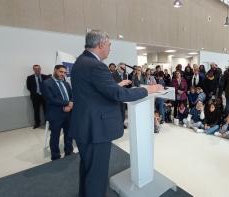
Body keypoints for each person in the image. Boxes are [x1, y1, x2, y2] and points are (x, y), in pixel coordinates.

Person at [69, 30, 162, 197]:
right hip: (95, 129)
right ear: (101, 44)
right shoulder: (96, 66)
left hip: (85, 125)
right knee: (97, 175)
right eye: (109, 45)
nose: (110, 48)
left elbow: (93, 92)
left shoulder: (81, 62)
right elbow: (119, 96)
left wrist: (115, 86)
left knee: (88, 170)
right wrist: (148, 89)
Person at [42, 65, 74, 160]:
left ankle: (69, 152)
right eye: (61, 72)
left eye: (64, 73)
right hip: (55, 114)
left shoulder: (66, 84)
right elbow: (50, 99)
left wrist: (70, 105)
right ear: (55, 70)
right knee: (55, 136)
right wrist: (68, 103)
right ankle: (55, 156)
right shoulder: (46, 83)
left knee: (69, 134)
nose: (63, 74)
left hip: (68, 114)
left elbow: (72, 96)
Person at [26, 64, 49, 128]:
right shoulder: (30, 78)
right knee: (36, 111)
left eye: (38, 69)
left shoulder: (45, 77)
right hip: (35, 97)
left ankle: (47, 123)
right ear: (33, 70)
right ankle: (37, 123)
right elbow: (28, 87)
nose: (37, 70)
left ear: (40, 69)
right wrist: (36, 92)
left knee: (46, 110)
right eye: (35, 69)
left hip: (44, 96)